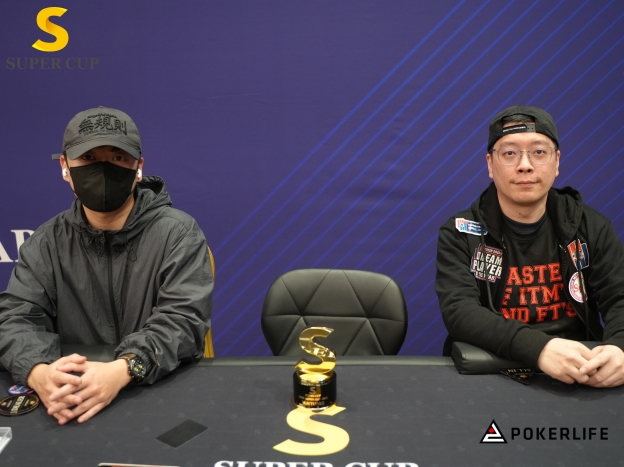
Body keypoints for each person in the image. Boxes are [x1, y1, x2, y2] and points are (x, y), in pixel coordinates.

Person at [0, 106, 213, 423]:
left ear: (138, 167)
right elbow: (16, 318)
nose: (102, 169)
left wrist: (125, 368)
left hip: (158, 390)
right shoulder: (45, 243)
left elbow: (183, 320)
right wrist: (38, 371)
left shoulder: (178, 233)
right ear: (65, 166)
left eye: (117, 158)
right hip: (71, 397)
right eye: (88, 158)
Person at [436, 105, 624, 388]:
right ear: (490, 165)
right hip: (492, 370)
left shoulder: (591, 227)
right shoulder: (460, 232)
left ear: (557, 161)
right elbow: (460, 311)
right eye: (510, 153)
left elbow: (619, 297)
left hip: (580, 371)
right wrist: (539, 348)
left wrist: (620, 347)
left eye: (538, 152)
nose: (525, 165)